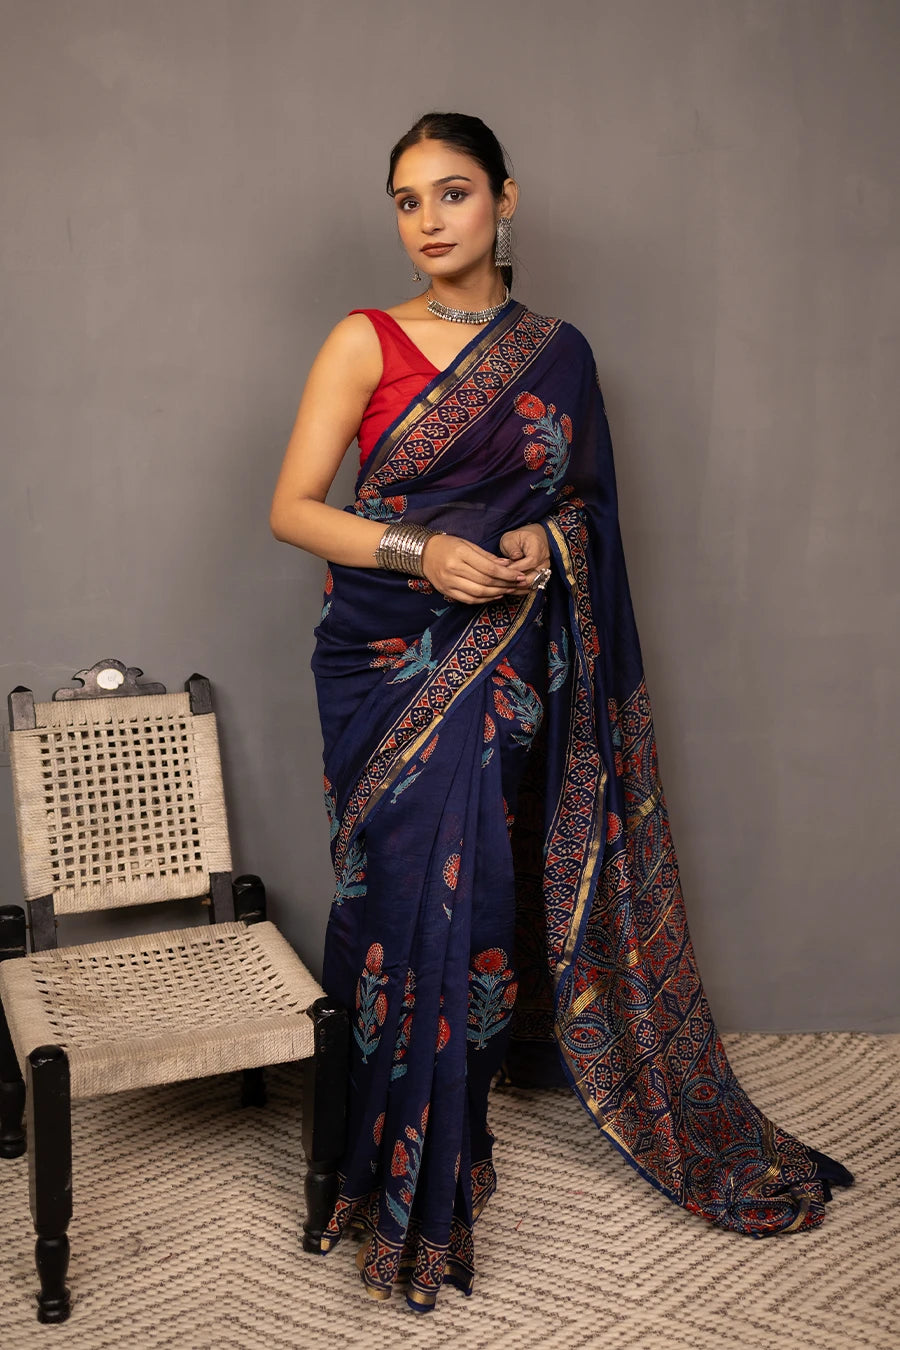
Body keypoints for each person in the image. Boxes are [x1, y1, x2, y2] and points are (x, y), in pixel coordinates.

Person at [270, 112, 852, 1313]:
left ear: (507, 200)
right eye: (406, 201)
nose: (429, 222)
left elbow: (584, 511)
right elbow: (292, 509)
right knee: (392, 902)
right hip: (385, 663)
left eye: (454, 193)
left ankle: (458, 1143)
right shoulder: (362, 340)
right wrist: (422, 552)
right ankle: (386, 1168)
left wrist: (546, 536)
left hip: (508, 659)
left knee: (478, 898)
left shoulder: (561, 352)